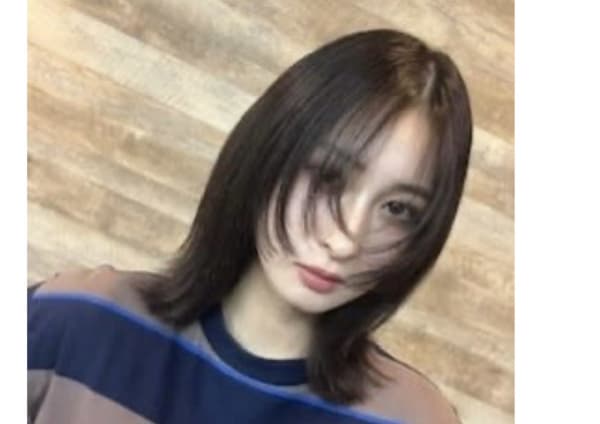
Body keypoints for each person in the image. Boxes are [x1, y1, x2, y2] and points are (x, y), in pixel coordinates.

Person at [28, 28, 472, 424]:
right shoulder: (75, 320)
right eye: (328, 177)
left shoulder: (415, 418)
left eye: (397, 209)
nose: (345, 240)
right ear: (267, 154)